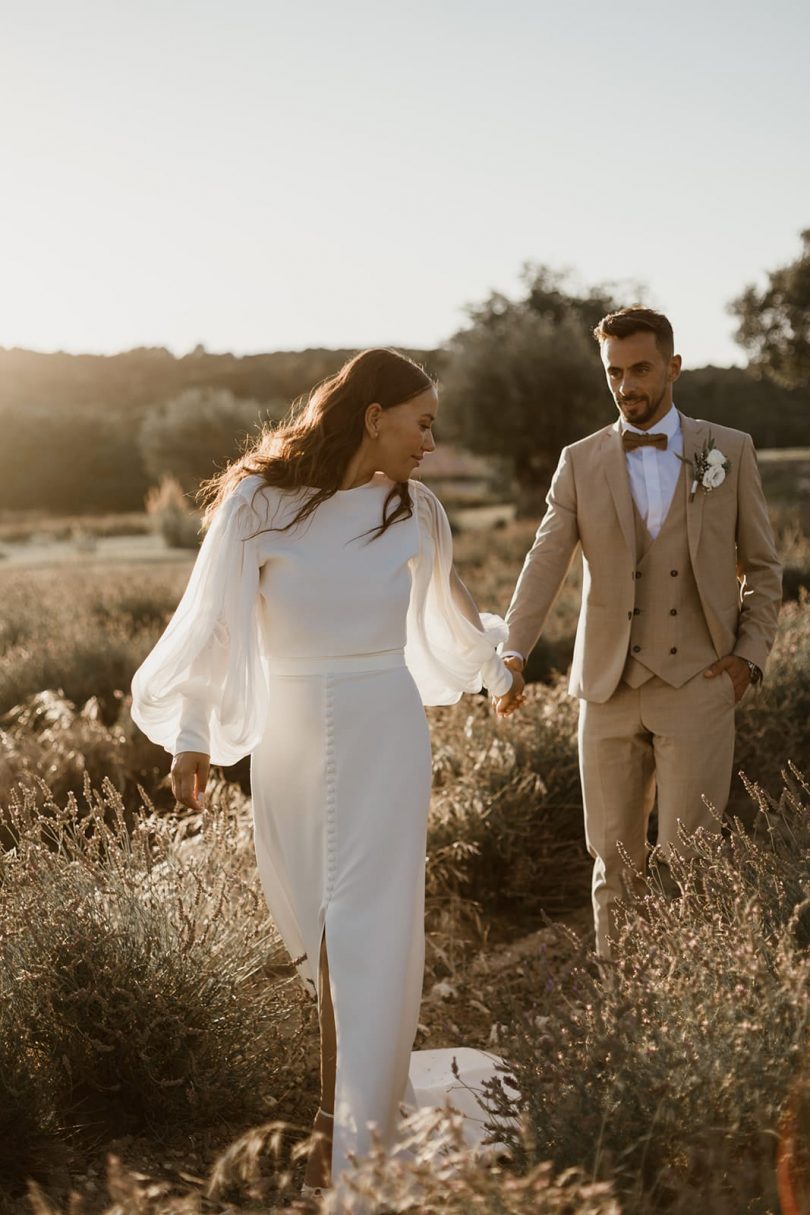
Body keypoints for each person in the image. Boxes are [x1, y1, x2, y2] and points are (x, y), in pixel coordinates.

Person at [130, 348, 521, 1202]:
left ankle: (343, 1137)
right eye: (422, 423)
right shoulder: (257, 504)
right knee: (316, 930)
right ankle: (350, 1107)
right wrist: (191, 736)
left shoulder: (414, 510)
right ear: (373, 415)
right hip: (293, 737)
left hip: (385, 730)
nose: (431, 441)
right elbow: (216, 629)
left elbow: (451, 612)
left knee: (368, 936)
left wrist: (497, 668)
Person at [496, 307, 781, 958]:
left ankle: (688, 1006)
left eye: (641, 369)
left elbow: (763, 567)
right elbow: (544, 562)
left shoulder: (727, 450)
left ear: (673, 367)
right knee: (613, 860)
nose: (627, 386)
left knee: (691, 861)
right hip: (607, 685)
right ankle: (623, 997)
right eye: (614, 373)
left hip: (701, 681)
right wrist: (511, 650)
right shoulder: (579, 462)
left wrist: (748, 657)